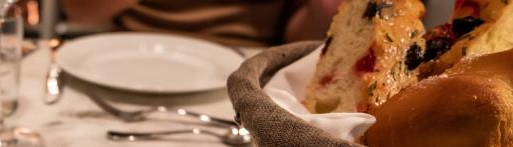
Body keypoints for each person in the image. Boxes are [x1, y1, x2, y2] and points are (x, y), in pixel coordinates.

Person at [60, 0, 343, 47]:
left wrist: (326, 10)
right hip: (124, 57)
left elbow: (298, 44)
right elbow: (81, 12)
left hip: (246, 71)